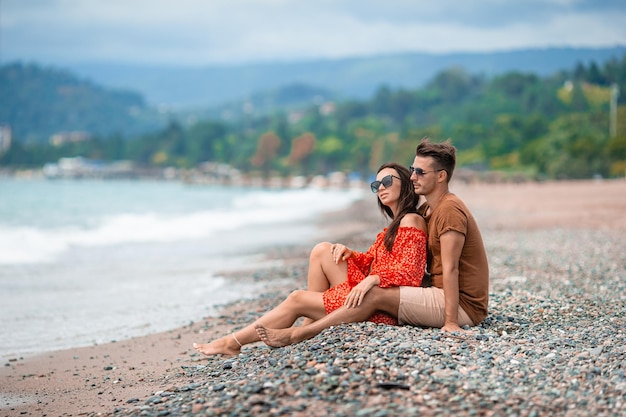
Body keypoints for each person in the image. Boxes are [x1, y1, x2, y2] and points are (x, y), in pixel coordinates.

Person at [255, 138, 489, 348]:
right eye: (412, 170)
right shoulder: (428, 208)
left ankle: (301, 333)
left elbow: (450, 268)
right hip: (439, 293)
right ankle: (304, 322)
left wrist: (451, 323)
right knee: (352, 277)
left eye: (420, 172)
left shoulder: (449, 210)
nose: (413, 176)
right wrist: (352, 256)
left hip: (462, 306)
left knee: (374, 294)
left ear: (441, 176)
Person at [193, 162, 428, 356]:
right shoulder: (394, 226)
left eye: (387, 182)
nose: (381, 188)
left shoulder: (411, 221)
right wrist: (351, 253)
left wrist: (372, 279)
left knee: (297, 299)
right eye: (376, 184)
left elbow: (410, 275)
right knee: (323, 249)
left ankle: (233, 342)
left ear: (405, 185)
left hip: (378, 307)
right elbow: (371, 262)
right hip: (369, 294)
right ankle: (309, 320)